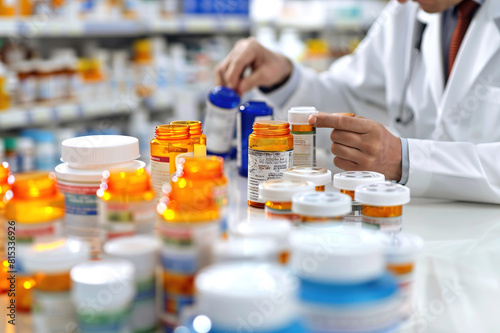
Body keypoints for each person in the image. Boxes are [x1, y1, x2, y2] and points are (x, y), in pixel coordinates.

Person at [215, 0, 500, 204]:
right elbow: (349, 98)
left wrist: (404, 159)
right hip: (417, 224)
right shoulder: (406, 13)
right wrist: (285, 78)